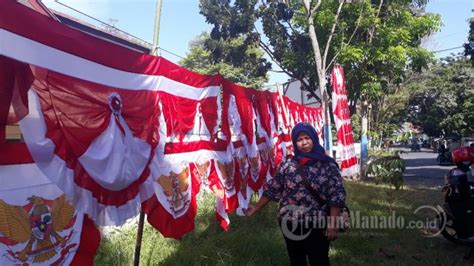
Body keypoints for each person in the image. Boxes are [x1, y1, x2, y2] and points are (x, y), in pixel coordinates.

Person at [244, 122, 346, 266]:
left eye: (307, 138)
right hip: (289, 222)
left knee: (319, 260)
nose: (304, 143)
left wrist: (333, 223)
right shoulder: (288, 164)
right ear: (294, 142)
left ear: (314, 138)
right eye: (299, 139)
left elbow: (337, 195)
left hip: (316, 223)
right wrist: (256, 207)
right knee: (297, 260)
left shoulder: (327, 164)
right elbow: (274, 187)